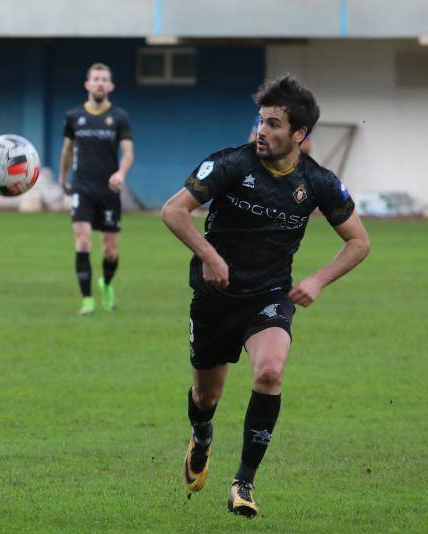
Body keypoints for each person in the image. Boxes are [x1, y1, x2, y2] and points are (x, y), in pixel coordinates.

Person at [161, 74, 369, 517]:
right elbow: (173, 211)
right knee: (206, 399)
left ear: (299, 135)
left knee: (270, 372)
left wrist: (315, 281)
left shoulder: (318, 182)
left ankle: (244, 483)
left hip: (270, 296)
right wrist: (209, 256)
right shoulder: (230, 164)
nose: (262, 131)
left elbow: (359, 242)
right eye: (261, 121)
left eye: (274, 124)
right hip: (215, 297)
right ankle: (201, 438)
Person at [59, 63, 134, 315]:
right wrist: (62, 176)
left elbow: (128, 152)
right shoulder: (73, 116)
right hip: (82, 188)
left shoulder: (120, 117)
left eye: (104, 79)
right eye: (96, 79)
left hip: (109, 190)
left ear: (110, 86)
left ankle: (107, 283)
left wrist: (121, 173)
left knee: (110, 250)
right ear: (87, 84)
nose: (100, 83)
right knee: (82, 240)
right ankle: (87, 299)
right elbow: (67, 150)